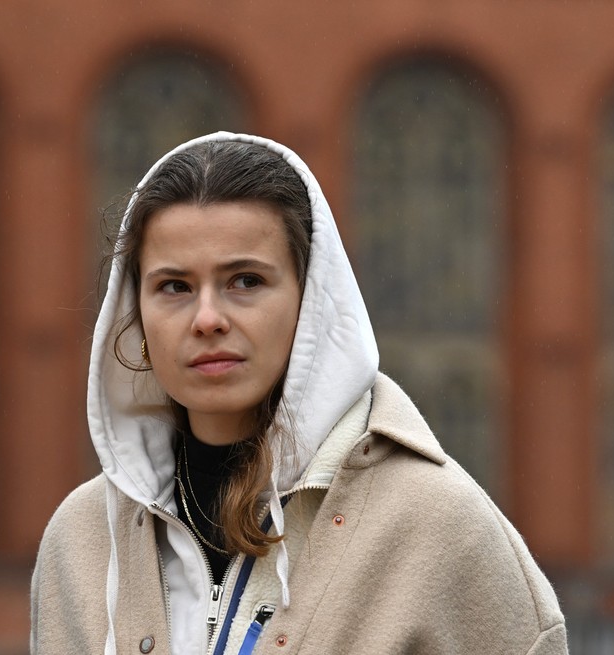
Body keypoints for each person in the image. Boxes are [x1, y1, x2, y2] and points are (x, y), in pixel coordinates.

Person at [30, 132, 569, 654]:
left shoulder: (439, 529)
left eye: (245, 280)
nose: (208, 318)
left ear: (312, 301)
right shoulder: (81, 542)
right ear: (136, 314)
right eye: (175, 286)